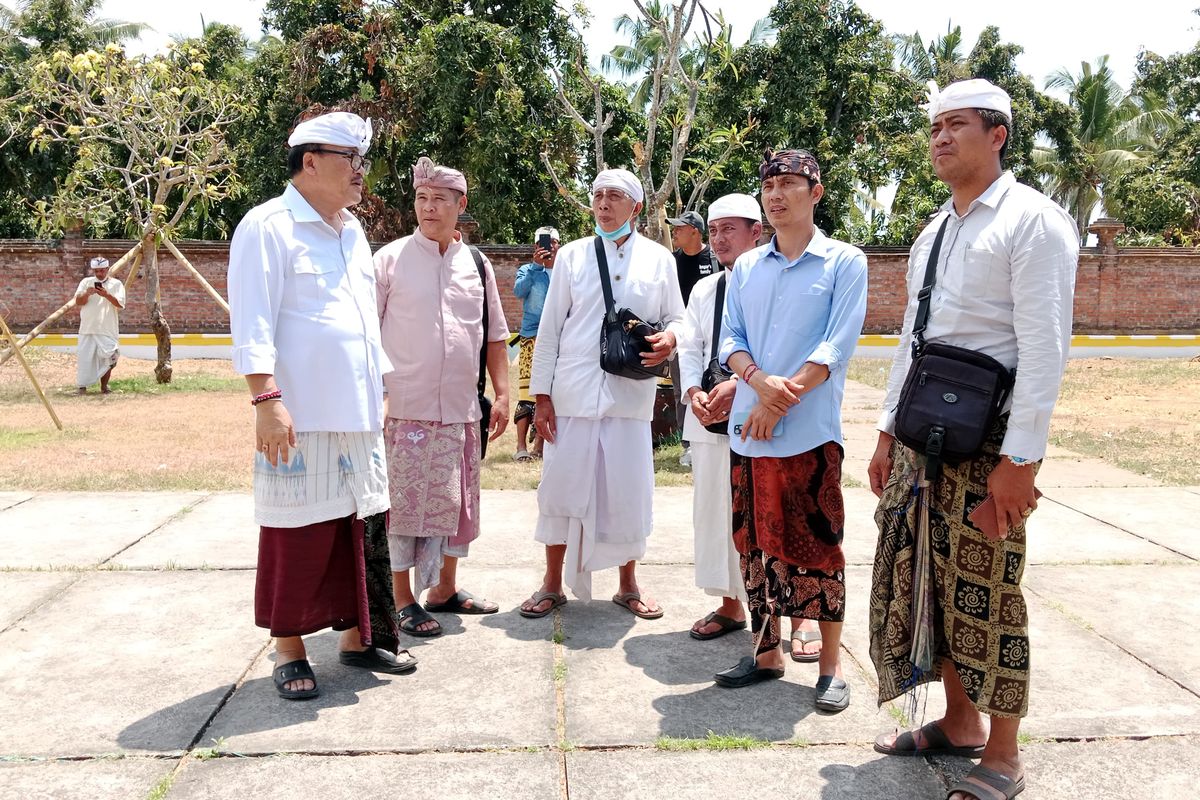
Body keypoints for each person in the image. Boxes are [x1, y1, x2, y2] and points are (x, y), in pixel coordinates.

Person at [867, 79, 1078, 800]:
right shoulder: (937, 229)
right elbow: (910, 340)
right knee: (926, 585)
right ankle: (959, 725)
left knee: (988, 592)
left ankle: (1005, 756)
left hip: (990, 444)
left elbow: (1045, 349)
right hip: (923, 434)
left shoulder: (1033, 222)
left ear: (999, 135)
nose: (940, 137)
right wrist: (885, 432)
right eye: (934, 126)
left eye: (957, 124)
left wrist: (1021, 461)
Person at [228, 110, 415, 701]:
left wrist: (381, 386)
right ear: (311, 162)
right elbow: (253, 321)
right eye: (350, 161)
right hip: (299, 413)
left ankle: (361, 637)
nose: (362, 173)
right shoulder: (267, 226)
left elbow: (362, 321)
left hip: (358, 412)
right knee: (297, 529)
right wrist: (265, 399)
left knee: (361, 524)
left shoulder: (352, 231)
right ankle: (288, 650)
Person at [713, 149, 868, 716]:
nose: (776, 195)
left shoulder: (844, 262)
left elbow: (836, 345)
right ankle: (766, 652)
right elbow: (731, 338)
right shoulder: (747, 267)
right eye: (769, 185)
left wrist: (779, 402)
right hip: (748, 432)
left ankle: (831, 667)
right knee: (754, 545)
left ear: (816, 192)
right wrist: (756, 381)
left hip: (808, 434)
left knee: (818, 547)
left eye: (789, 184)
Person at [519, 168, 684, 619]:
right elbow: (549, 332)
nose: (604, 204)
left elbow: (679, 320)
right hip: (571, 394)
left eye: (614, 196)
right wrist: (542, 399)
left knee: (628, 491)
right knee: (560, 488)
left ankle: (628, 584)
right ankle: (552, 582)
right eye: (597, 195)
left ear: (636, 206)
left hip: (629, 398)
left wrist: (672, 339)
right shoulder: (571, 257)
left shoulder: (658, 259)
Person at [373, 157, 510, 638]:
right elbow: (367, 337)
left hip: (461, 410)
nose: (428, 208)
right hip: (404, 412)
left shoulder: (477, 264)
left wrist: (505, 393)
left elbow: (494, 335)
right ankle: (403, 598)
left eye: (439, 199)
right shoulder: (388, 260)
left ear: (460, 205)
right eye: (421, 198)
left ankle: (445, 590)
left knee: (457, 508)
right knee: (403, 510)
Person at [676, 193, 758, 640]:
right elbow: (689, 346)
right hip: (707, 414)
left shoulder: (771, 280)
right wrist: (692, 390)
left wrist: (741, 387)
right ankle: (730, 606)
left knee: (768, 512)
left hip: (760, 413)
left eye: (730, 229)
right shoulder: (706, 288)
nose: (719, 239)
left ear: (756, 232)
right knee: (714, 510)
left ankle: (794, 614)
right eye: (713, 231)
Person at [667, 210, 716, 466]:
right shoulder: (672, 262)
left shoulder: (715, 259)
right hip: (683, 336)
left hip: (713, 336)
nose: (675, 232)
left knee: (712, 384)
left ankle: (713, 437)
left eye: (679, 228)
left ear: (695, 231)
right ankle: (688, 445)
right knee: (682, 390)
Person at [512, 226, 559, 461]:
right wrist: (535, 267)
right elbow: (519, 292)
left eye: (554, 242)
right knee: (526, 393)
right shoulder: (527, 270)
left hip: (559, 339)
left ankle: (540, 447)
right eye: (545, 242)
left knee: (549, 392)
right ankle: (520, 447)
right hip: (531, 337)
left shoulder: (565, 271)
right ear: (536, 247)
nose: (550, 246)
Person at [72, 256, 125, 394]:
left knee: (111, 357)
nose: (99, 274)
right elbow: (78, 302)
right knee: (85, 360)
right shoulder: (86, 282)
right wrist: (87, 294)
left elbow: (120, 304)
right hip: (88, 328)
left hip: (107, 329)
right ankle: (82, 387)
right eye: (96, 271)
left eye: (102, 270)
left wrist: (106, 295)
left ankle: (104, 387)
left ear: (107, 269)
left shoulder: (116, 284)